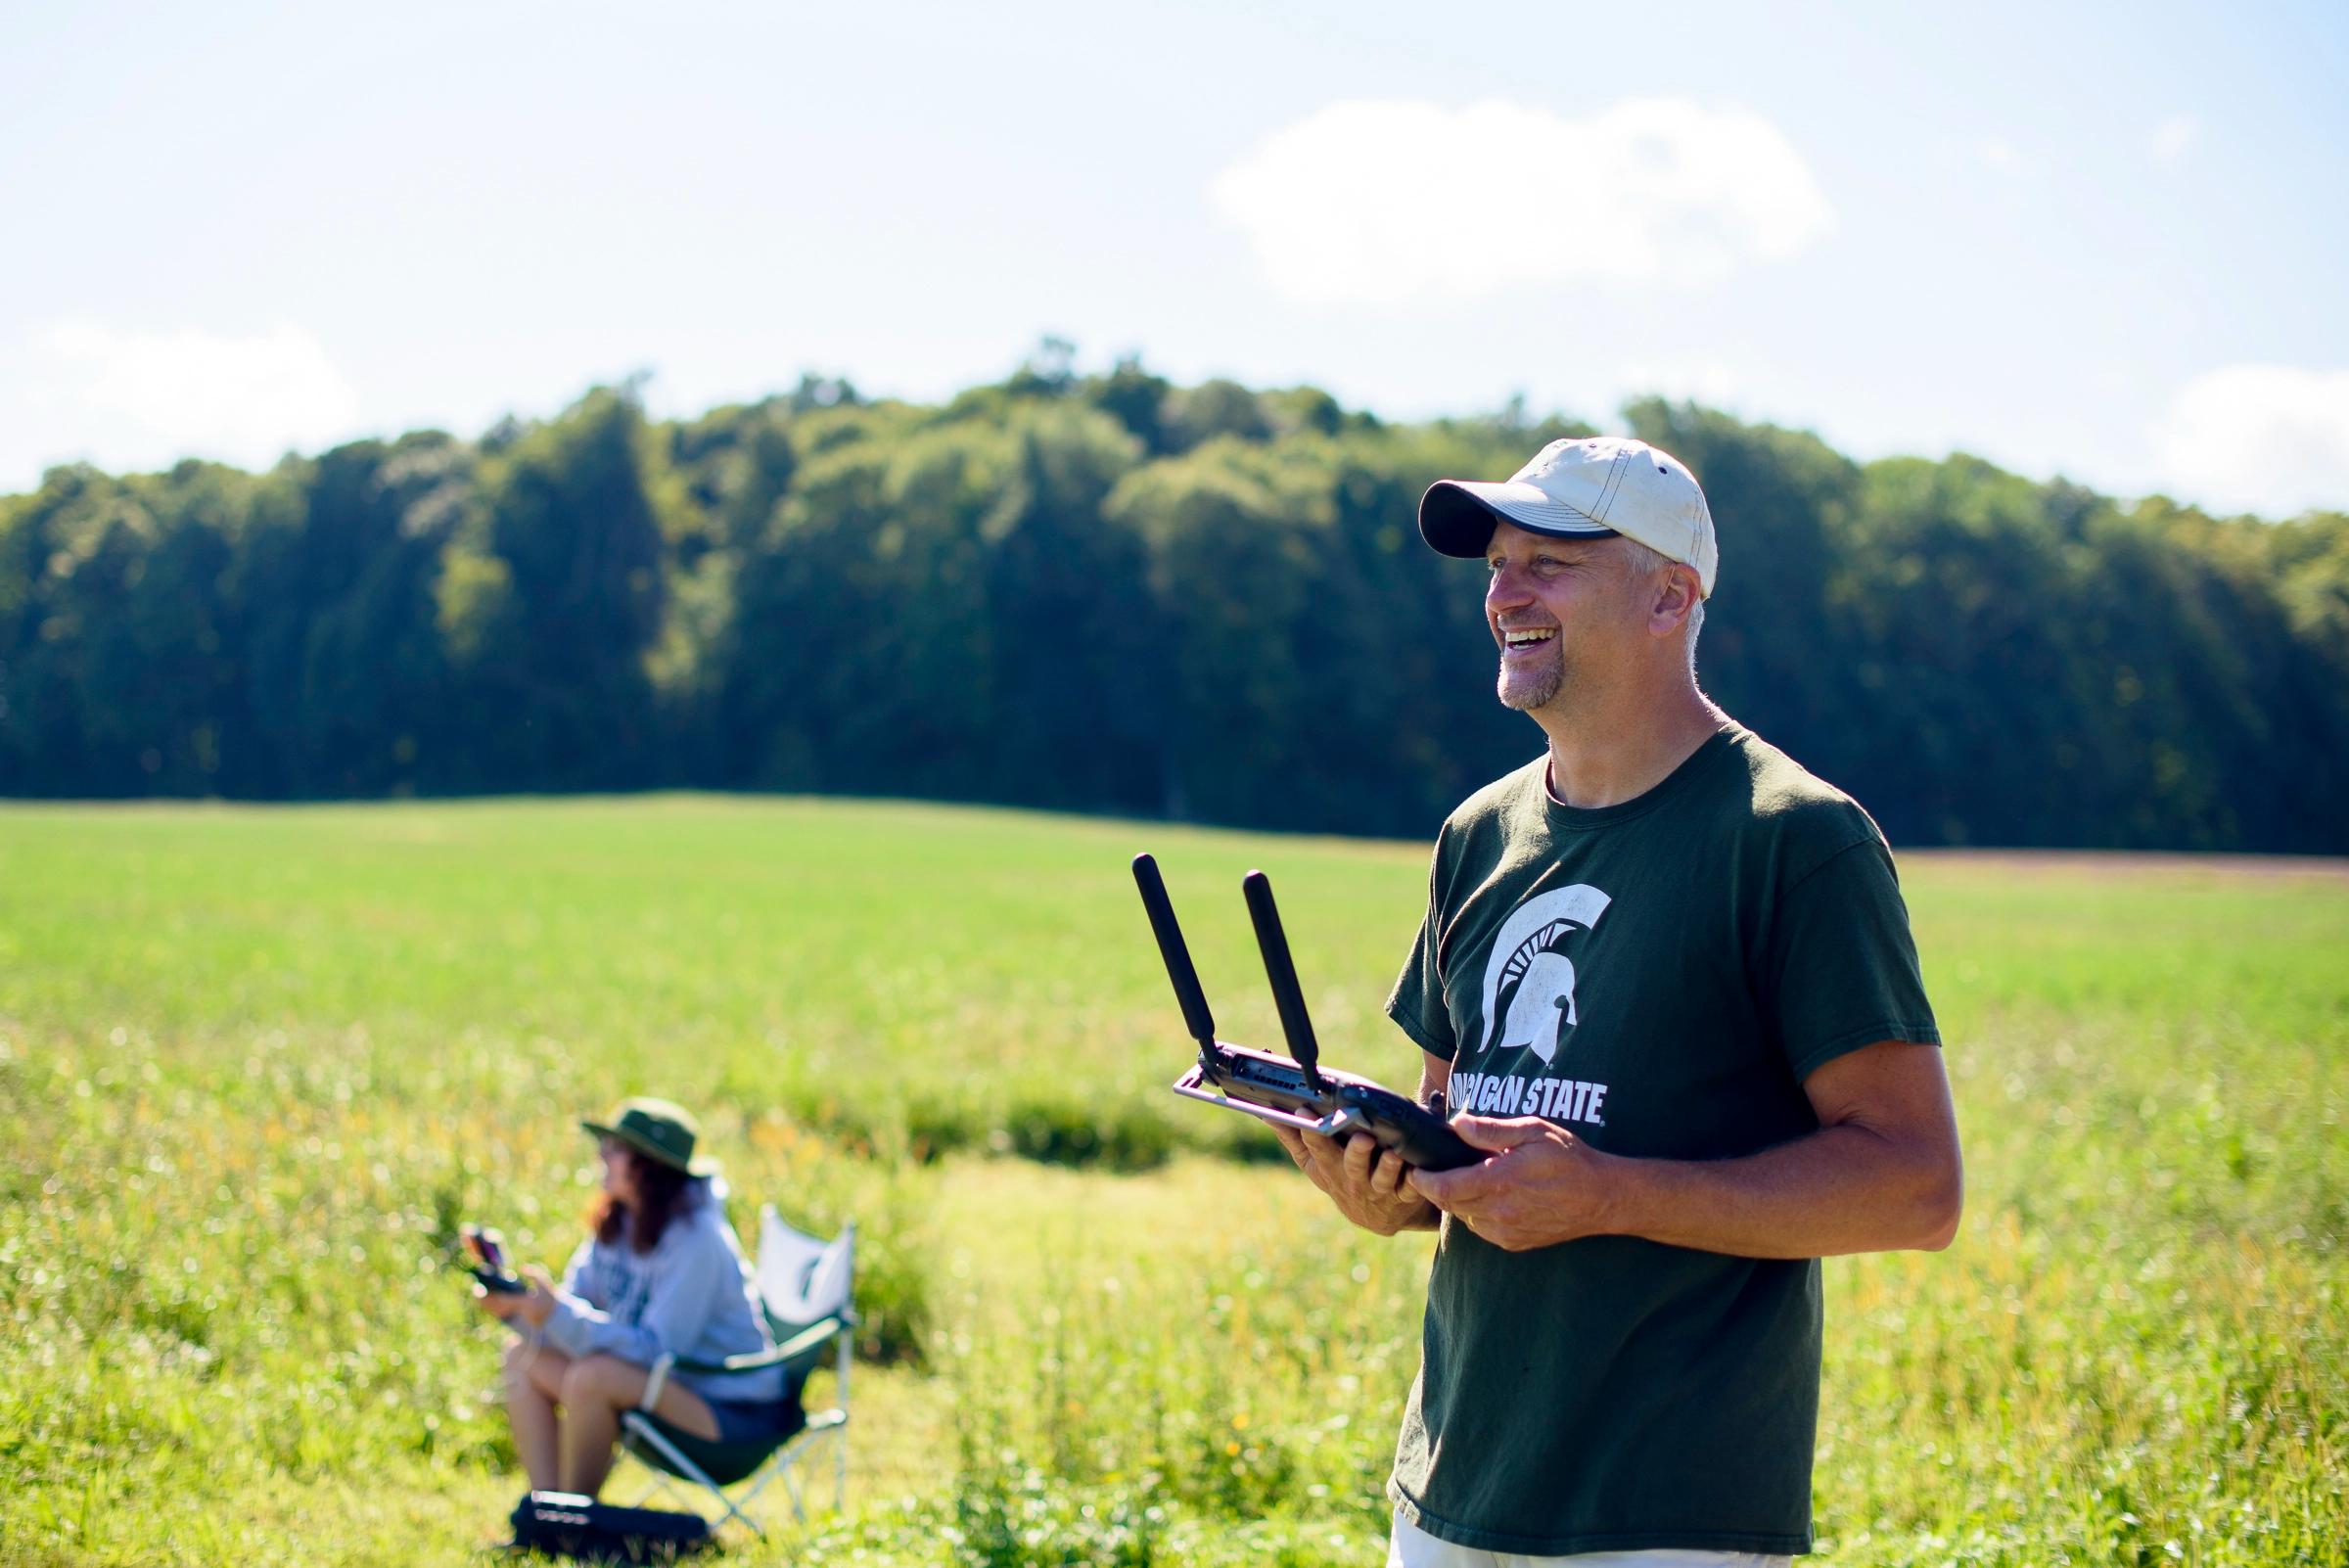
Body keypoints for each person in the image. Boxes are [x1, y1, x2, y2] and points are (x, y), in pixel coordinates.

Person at [1272, 437, 1962, 1567]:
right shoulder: (1477, 835)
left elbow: (1916, 1188)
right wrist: (1383, 1185)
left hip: (1668, 1519)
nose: (1504, 593)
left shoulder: (1795, 840)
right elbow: (1451, 1151)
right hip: (1451, 1489)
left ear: (1669, 597)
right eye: (1497, 564)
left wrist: (1608, 1193)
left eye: (1549, 561)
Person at [476, 1096, 789, 1499]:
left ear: (650, 1166)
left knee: (593, 1377)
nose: (601, 1155)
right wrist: (519, 1312)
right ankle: (547, 1511)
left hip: (730, 1411)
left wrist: (554, 1314)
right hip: (661, 1387)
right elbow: (573, 1316)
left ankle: (573, 1521)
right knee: (522, 1355)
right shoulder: (618, 1222)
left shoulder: (699, 1241)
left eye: (616, 1148)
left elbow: (658, 1353)